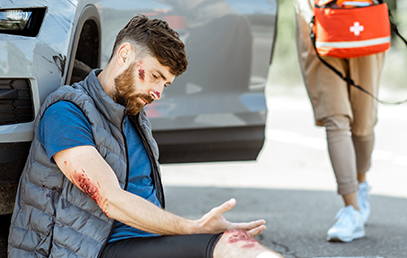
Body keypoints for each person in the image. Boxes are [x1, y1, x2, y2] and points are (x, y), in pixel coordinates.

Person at [8, 14, 284, 258]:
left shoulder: (134, 117)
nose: (158, 92)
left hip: (141, 242)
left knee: (235, 243)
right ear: (125, 54)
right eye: (154, 76)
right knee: (231, 246)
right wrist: (193, 228)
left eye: (165, 84)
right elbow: (109, 198)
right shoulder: (66, 111)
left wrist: (190, 233)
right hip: (91, 249)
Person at [295, 0, 385, 242]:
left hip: (364, 15)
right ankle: (352, 208)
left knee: (364, 124)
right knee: (336, 118)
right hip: (318, 20)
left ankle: (360, 182)